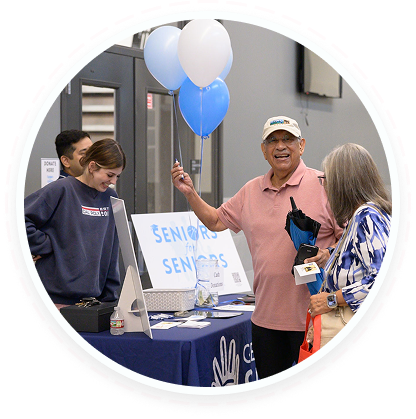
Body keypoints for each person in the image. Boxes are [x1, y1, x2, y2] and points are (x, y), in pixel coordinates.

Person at [171, 116, 343, 378]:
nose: (280, 146)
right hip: (265, 321)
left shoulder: (326, 186)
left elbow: (351, 240)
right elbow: (216, 221)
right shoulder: (251, 190)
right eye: (272, 140)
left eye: (288, 139)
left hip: (316, 318)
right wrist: (190, 193)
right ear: (263, 150)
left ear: (302, 145)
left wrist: (327, 254)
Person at [25, 138, 126, 309]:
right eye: (109, 175)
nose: (114, 181)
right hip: (54, 299)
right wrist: (46, 245)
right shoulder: (61, 189)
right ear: (92, 166)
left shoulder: (111, 199)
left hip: (93, 301)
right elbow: (17, 219)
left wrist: (110, 298)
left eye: (117, 176)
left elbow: (111, 248)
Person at [308, 143, 391, 319]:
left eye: (326, 180)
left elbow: (381, 281)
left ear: (342, 184)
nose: (324, 187)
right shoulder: (366, 215)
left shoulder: (366, 216)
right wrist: (329, 253)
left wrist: (330, 300)